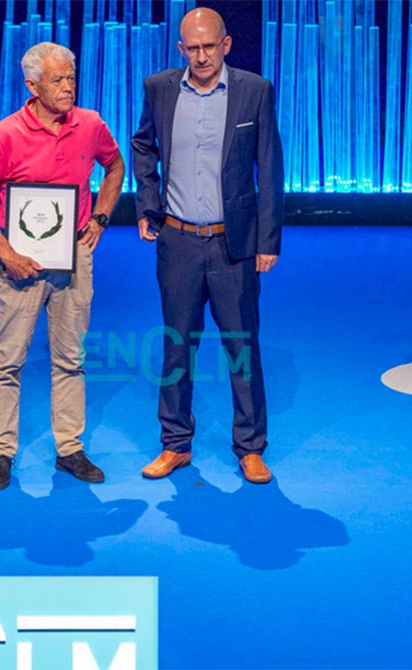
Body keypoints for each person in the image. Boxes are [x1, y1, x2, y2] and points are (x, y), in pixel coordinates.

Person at [0, 42, 125, 491]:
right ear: (32, 85)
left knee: (70, 359)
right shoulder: (5, 134)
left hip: (74, 257)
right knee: (8, 360)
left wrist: (102, 218)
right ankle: (1, 451)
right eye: (58, 80)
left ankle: (69, 448)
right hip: (20, 265)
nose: (68, 86)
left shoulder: (90, 124)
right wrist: (7, 254)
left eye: (71, 77)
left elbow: (114, 166)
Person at [130, 8, 284, 484]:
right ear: (180, 49)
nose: (201, 56)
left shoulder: (253, 91)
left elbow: (269, 166)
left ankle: (250, 448)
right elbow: (143, 145)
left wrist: (267, 238)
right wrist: (146, 205)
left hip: (232, 244)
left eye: (208, 47)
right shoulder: (159, 88)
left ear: (226, 45)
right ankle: (175, 444)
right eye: (191, 48)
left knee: (241, 346)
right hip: (176, 241)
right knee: (177, 345)